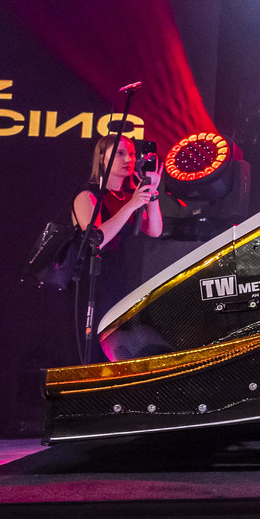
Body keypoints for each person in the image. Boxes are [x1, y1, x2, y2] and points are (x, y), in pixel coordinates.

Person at [71, 135, 163, 361]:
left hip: (122, 278)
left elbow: (154, 230)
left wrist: (152, 193)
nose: (129, 159)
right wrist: (131, 205)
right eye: (120, 153)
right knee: (96, 345)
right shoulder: (88, 195)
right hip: (94, 281)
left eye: (131, 153)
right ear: (102, 158)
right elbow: (96, 239)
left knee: (123, 345)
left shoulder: (129, 195)